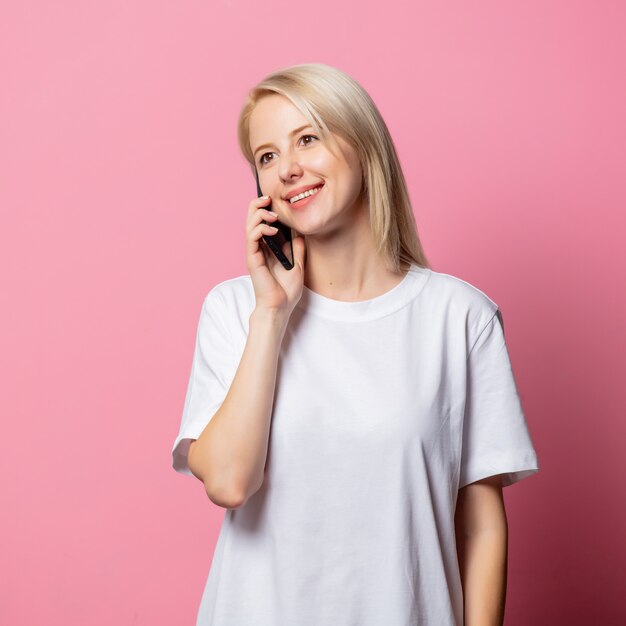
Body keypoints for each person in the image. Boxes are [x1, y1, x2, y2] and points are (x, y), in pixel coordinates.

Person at [171, 63, 540, 626]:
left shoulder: (460, 318)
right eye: (266, 157)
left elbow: (481, 523)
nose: (288, 169)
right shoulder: (233, 310)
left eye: (308, 138)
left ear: (364, 144)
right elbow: (228, 482)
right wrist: (273, 313)